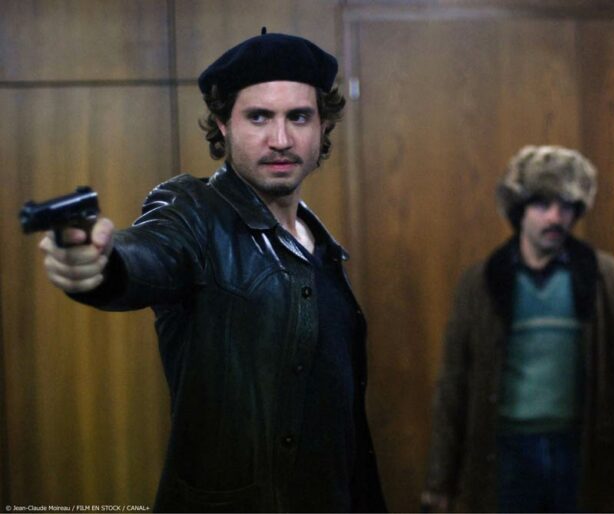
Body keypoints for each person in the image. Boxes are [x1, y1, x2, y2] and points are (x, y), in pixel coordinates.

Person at [38, 30, 386, 513]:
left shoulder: (318, 243)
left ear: (322, 125)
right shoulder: (195, 213)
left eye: (298, 117)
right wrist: (100, 263)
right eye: (258, 117)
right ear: (223, 125)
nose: (281, 139)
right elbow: (150, 254)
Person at [421, 145, 614, 513]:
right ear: (519, 210)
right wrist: (439, 482)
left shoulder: (603, 276)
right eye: (542, 204)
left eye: (567, 205)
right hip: (504, 451)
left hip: (581, 451)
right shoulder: (482, 283)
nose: (556, 217)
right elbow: (453, 385)